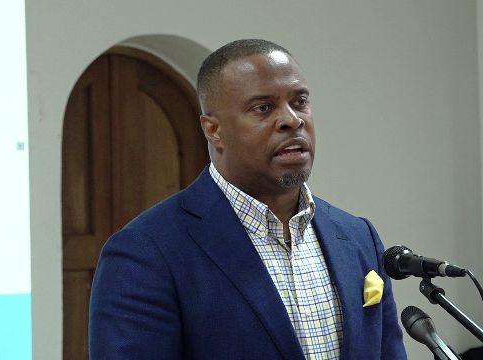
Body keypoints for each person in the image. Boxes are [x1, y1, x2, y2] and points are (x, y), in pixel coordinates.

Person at [89, 39, 407, 360]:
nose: (291, 120)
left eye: (299, 102)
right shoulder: (146, 252)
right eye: (263, 108)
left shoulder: (357, 236)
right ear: (213, 130)